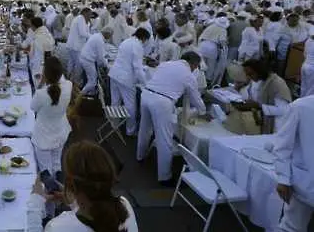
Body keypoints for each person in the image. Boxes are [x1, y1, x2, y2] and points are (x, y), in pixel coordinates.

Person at [27, 140, 138, 232]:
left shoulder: (58, 227)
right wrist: (74, 202)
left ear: (72, 185)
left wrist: (35, 203)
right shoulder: (124, 205)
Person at [137, 52, 208, 185]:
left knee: (144, 129)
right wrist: (203, 111)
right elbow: (195, 97)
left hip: (146, 94)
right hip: (162, 102)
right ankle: (165, 177)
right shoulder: (188, 75)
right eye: (196, 66)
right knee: (164, 138)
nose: (195, 69)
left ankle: (140, 156)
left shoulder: (166, 64)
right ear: (192, 64)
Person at [274, 95, 314, 231]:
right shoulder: (300, 106)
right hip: (304, 181)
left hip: (304, 178)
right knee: (291, 227)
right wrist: (283, 179)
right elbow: (283, 145)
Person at [30, 57, 72, 178]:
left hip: (43, 135)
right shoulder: (68, 86)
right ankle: (60, 190)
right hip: (60, 131)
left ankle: (50, 192)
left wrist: (41, 83)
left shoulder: (41, 94)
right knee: (57, 165)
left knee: (45, 169)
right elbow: (60, 81)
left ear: (45, 74)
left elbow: (33, 107)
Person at [108, 28, 150, 136]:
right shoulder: (138, 46)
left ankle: (114, 125)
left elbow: (126, 60)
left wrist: (143, 67)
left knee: (115, 101)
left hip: (114, 74)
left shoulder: (126, 41)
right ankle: (130, 131)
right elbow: (137, 68)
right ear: (144, 38)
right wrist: (146, 84)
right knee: (130, 106)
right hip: (125, 79)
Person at [234, 58, 292, 134]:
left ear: (259, 71)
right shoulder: (260, 81)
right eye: (247, 74)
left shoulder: (277, 84)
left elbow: (284, 110)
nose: (248, 77)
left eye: (251, 74)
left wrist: (259, 106)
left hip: (278, 127)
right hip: (265, 122)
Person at [79, 26, 112, 96]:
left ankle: (91, 95)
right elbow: (101, 59)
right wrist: (108, 65)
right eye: (111, 35)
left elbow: (99, 53)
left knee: (92, 79)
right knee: (93, 82)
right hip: (87, 60)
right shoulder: (100, 40)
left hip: (85, 58)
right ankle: (80, 95)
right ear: (107, 34)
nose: (110, 37)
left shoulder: (97, 36)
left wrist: (105, 58)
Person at [65, 8, 92, 78]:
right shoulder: (80, 19)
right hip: (76, 46)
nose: (90, 15)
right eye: (89, 14)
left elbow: (85, 31)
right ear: (85, 13)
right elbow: (82, 33)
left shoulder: (80, 19)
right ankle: (75, 82)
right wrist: (93, 37)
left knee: (71, 63)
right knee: (78, 65)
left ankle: (69, 78)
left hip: (73, 45)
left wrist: (88, 23)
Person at [301, 33, 314, 97]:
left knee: (303, 89)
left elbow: (304, 55)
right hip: (312, 69)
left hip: (304, 66)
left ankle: (299, 105)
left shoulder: (308, 40)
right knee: (310, 92)